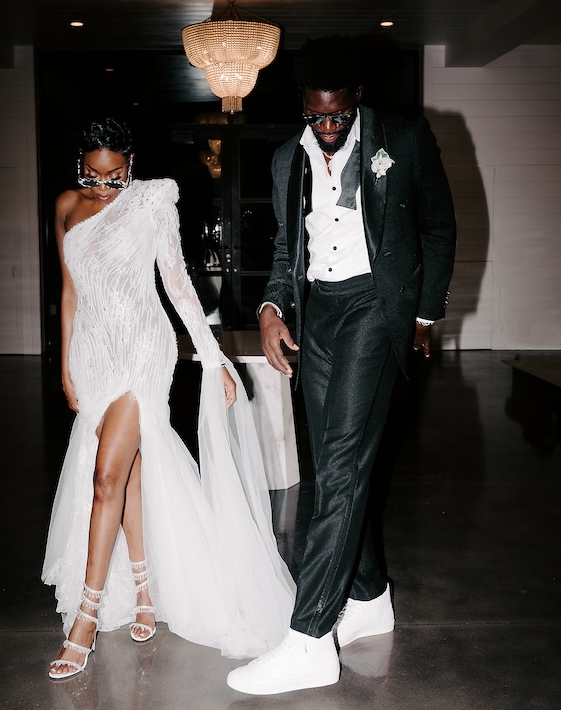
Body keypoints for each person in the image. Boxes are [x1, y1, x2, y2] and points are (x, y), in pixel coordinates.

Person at [227, 35, 457, 695]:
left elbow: (439, 226)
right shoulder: (285, 160)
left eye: (337, 115)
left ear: (356, 101)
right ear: (302, 104)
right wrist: (271, 307)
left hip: (374, 311)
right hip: (317, 315)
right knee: (331, 471)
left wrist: (423, 316)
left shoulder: (402, 140)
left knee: (343, 473)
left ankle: (307, 640)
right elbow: (284, 245)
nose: (327, 128)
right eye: (315, 115)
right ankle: (369, 596)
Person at [42, 118, 295, 679]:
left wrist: (212, 357)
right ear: (80, 164)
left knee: (106, 477)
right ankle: (143, 589)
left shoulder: (152, 201)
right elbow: (68, 291)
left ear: (131, 161)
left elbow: (178, 283)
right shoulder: (65, 204)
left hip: (141, 351)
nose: (105, 185)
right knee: (124, 472)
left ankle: (84, 619)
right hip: (93, 353)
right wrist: (64, 367)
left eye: (116, 173)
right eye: (94, 173)